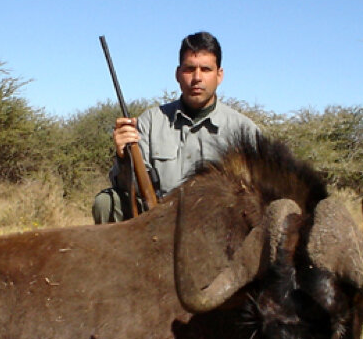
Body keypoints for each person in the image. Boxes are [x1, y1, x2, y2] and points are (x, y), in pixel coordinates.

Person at [92, 31, 260, 224]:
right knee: (107, 203)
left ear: (219, 75)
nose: (197, 78)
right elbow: (128, 187)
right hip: (160, 224)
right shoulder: (151, 121)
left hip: (217, 230)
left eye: (206, 69)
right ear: (178, 74)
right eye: (189, 69)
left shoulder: (244, 130)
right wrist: (123, 158)